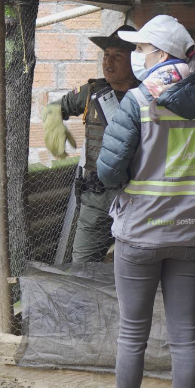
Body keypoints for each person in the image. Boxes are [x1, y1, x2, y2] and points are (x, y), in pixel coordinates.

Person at [96, 14, 195, 388]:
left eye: (143, 49)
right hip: (190, 235)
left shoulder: (137, 101)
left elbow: (108, 172)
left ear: (164, 54)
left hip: (137, 236)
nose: (137, 56)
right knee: (185, 337)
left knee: (132, 335)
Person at [43, 24, 140, 263]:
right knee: (83, 265)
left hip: (137, 197)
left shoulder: (147, 95)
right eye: (107, 55)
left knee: (136, 266)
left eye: (118, 56)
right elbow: (54, 107)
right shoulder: (91, 92)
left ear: (136, 60)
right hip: (95, 196)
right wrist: (53, 125)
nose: (109, 62)